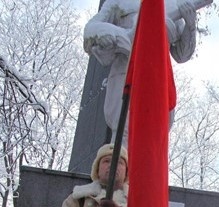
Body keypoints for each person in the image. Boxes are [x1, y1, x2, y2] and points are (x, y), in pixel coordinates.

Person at [82, 0, 200, 145]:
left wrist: (190, 26)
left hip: (158, 81)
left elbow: (182, 55)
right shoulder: (118, 2)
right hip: (125, 77)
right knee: (123, 136)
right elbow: (90, 30)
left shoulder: (172, 3)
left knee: (154, 142)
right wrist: (115, 36)